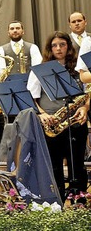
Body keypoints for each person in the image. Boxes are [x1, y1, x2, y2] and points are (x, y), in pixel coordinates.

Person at [31, 31, 88, 201]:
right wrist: (41, 114)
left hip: (76, 122)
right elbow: (32, 97)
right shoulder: (39, 70)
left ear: (68, 47)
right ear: (49, 48)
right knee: (54, 166)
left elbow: (88, 94)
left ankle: (79, 200)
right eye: (54, 45)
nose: (58, 48)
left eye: (62, 44)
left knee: (76, 164)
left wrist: (85, 108)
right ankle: (57, 200)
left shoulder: (79, 70)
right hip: (52, 124)